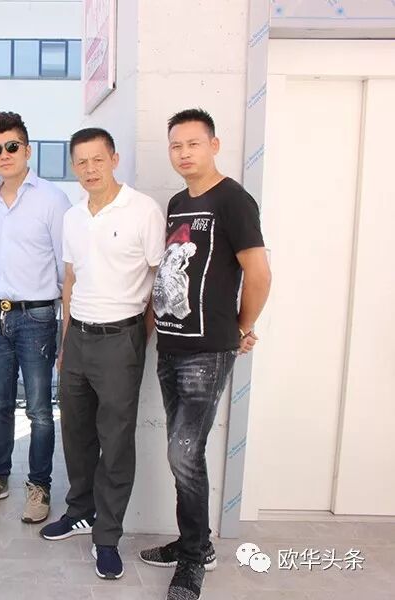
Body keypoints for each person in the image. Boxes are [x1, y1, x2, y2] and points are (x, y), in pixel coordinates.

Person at [139, 108, 271, 600]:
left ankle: (196, 557)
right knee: (184, 454)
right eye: (176, 145)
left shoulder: (234, 200)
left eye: (193, 143)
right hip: (171, 346)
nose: (184, 153)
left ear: (214, 145)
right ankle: (192, 541)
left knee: (183, 451)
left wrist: (242, 327)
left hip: (207, 351)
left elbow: (259, 273)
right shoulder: (177, 202)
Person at [39, 128, 165, 581]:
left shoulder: (143, 210)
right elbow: (71, 279)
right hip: (78, 338)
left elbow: (160, 279)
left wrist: (136, 338)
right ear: (74, 167)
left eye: (98, 159)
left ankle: (107, 536)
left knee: (115, 441)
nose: (90, 169)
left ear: (114, 159)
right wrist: (65, 340)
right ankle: (80, 511)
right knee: (75, 432)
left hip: (120, 339)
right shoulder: (74, 217)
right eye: (81, 162)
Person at [0, 111, 71, 524]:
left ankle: (39, 485)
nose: (4, 154)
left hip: (37, 317)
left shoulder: (52, 199)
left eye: (12, 146)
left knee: (40, 411)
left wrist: (61, 322)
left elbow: (66, 267)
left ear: (27, 150)